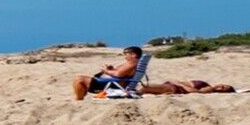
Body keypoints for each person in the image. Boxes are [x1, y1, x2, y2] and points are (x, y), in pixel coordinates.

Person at [74, 45, 235, 99]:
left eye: (125, 54)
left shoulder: (131, 64)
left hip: (109, 84)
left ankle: (78, 100)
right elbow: (119, 72)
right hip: (112, 81)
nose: (124, 56)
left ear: (132, 55)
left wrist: (105, 71)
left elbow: (118, 76)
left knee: (79, 79)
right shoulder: (131, 64)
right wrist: (111, 70)